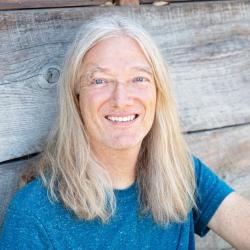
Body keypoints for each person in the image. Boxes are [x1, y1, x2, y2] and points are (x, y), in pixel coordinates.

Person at [0, 15, 250, 250]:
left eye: (139, 79)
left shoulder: (179, 173)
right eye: (99, 80)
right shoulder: (34, 215)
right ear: (76, 97)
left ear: (157, 93)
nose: (121, 99)